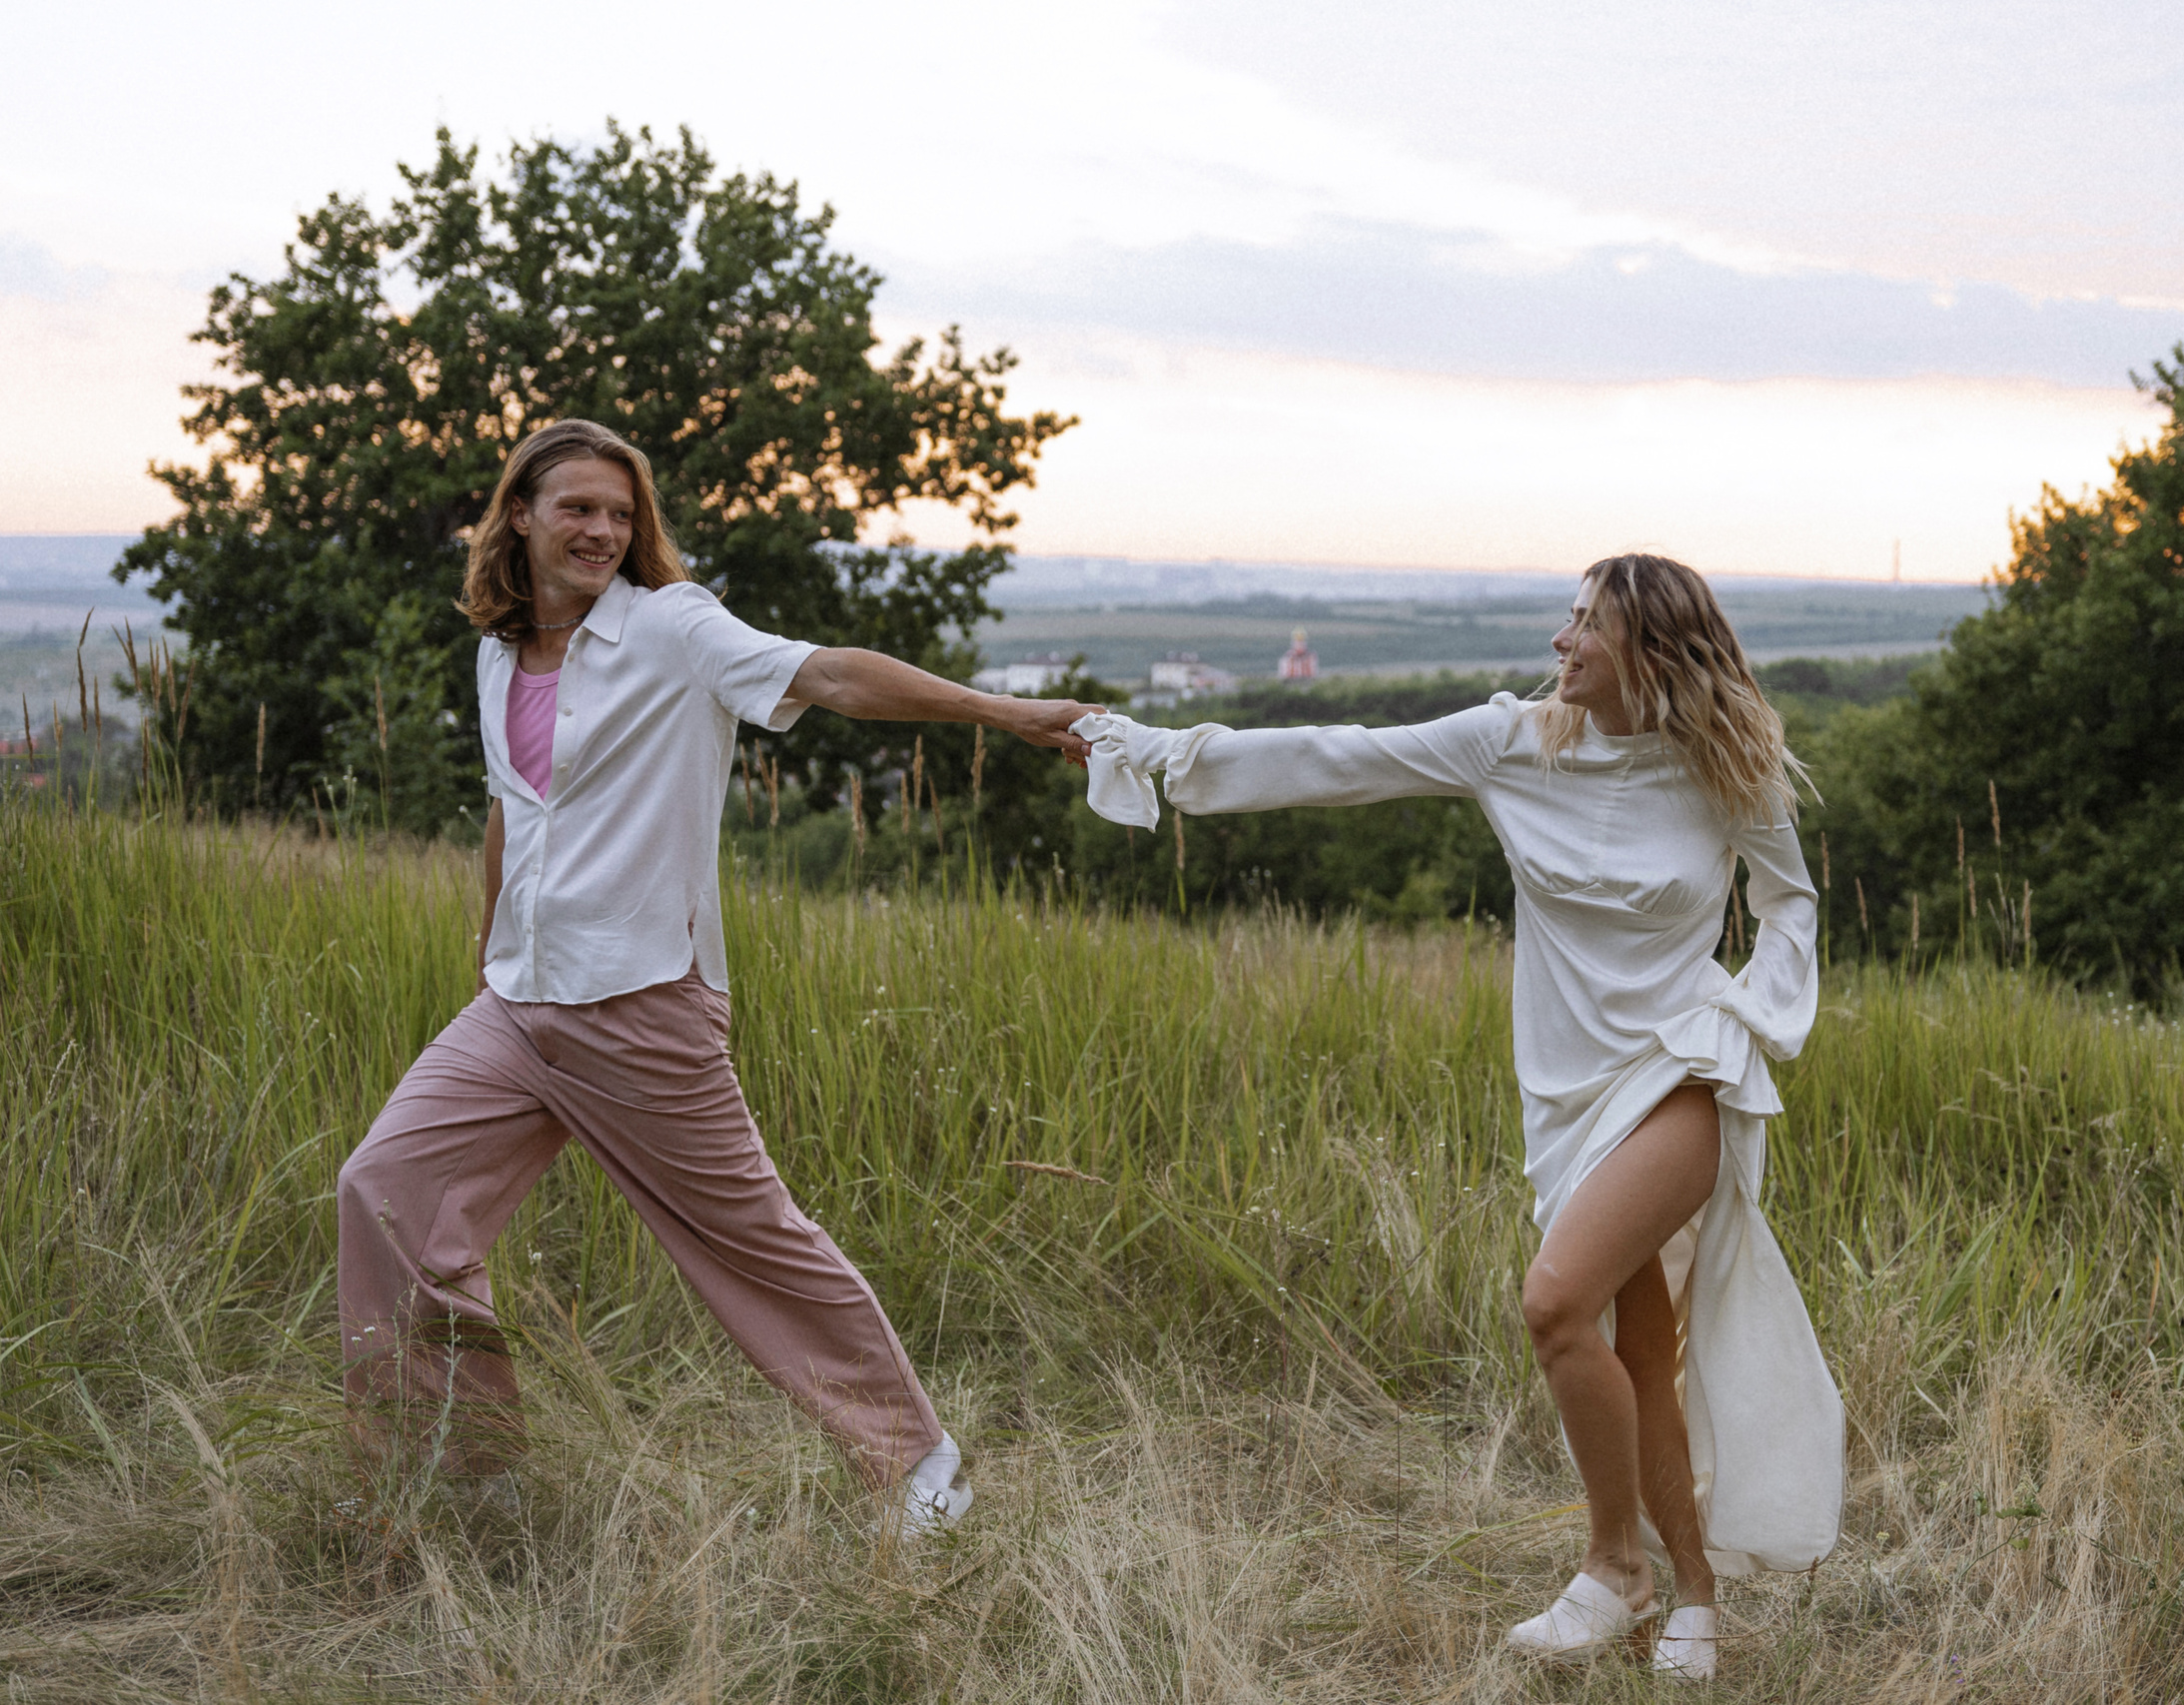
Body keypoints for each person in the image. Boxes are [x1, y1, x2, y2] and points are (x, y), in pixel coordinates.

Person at [1075, 553, 1842, 1682]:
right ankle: (1692, 1592)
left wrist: (1749, 1016)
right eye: (1567, 619)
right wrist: (1151, 748)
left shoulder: (1727, 766)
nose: (1561, 641)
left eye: (1585, 625)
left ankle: (1613, 1567)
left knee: (1555, 1303)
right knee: (1641, 1350)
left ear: (1646, 647)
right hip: (1568, 1095)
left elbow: (1789, 904)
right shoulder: (1511, 744)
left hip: (1683, 1070)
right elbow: (1338, 755)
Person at [336, 419, 1097, 1534]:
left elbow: (828, 675)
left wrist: (1003, 711)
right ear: (520, 516)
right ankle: (459, 1476)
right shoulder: (499, 653)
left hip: (641, 1001)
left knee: (753, 1245)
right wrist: (493, 950)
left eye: (620, 512)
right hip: (517, 1005)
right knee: (385, 1189)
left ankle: (921, 1474)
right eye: (578, 508)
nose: (602, 530)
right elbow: (510, 812)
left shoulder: (673, 626)